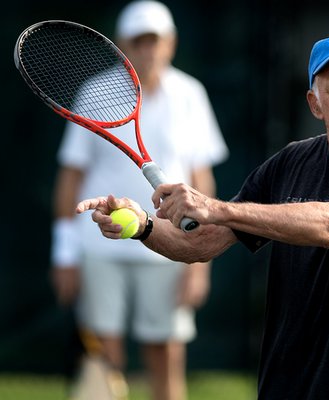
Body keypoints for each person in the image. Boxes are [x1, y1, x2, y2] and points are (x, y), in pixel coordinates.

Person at [77, 31, 329, 399]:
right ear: (315, 103)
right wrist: (142, 225)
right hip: (288, 386)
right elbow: (200, 243)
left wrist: (216, 208)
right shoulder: (290, 163)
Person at [50, 1, 229, 399]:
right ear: (122, 45)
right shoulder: (94, 91)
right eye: (139, 41)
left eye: (155, 40)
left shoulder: (190, 94)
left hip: (171, 247)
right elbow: (71, 176)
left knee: (165, 352)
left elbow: (202, 180)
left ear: (171, 43)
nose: (148, 50)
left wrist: (200, 261)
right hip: (100, 242)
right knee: (103, 356)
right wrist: (64, 253)